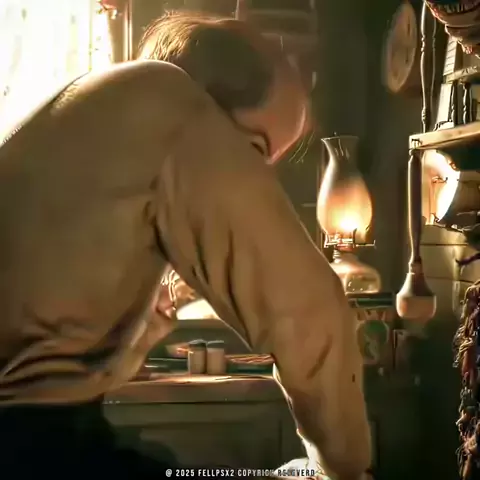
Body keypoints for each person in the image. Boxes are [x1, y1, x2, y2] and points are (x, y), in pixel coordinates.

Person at [0, 12, 371, 480]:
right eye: (252, 152)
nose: (256, 183)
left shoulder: (96, 113)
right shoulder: (166, 100)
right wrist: (346, 469)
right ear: (208, 107)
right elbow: (309, 315)